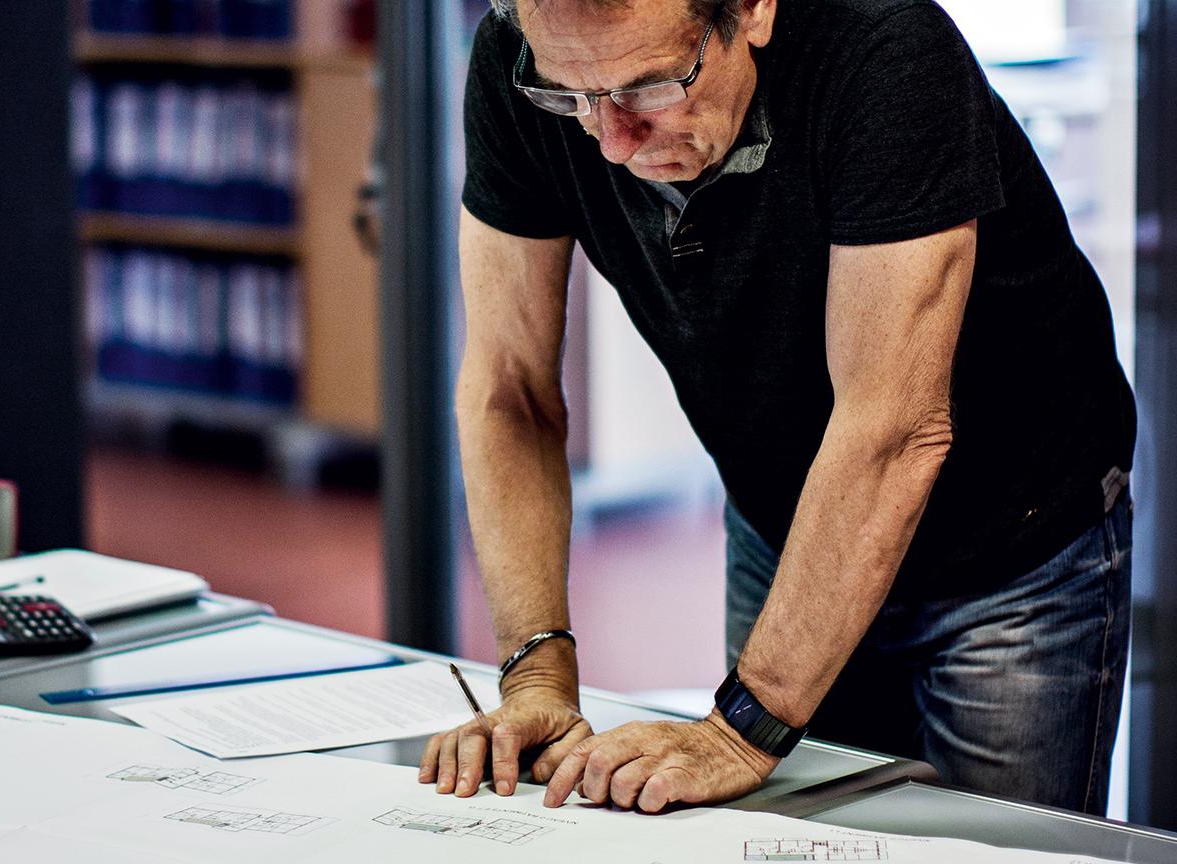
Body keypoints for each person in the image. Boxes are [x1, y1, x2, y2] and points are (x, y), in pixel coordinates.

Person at [417, 0, 1136, 816]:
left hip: (1012, 547)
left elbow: (894, 432)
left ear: (753, 8)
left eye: (650, 88)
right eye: (571, 97)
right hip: (791, 518)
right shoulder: (532, 55)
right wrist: (537, 674)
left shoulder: (889, 53)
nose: (610, 140)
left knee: (986, 851)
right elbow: (509, 392)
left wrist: (739, 730)